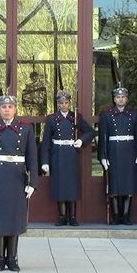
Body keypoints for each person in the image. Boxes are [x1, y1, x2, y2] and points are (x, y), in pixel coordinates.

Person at [0, 94, 38, 272]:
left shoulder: (26, 129)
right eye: (3, 107)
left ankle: (12, 258)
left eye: (10, 107)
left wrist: (33, 182)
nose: (7, 110)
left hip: (17, 177)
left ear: (15, 109)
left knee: (14, 217)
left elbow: (32, 157)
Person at [41, 90, 95, 226]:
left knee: (72, 186)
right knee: (60, 186)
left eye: (66, 102)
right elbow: (46, 141)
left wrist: (82, 141)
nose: (64, 105)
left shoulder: (76, 117)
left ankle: (72, 217)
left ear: (69, 103)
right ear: (57, 104)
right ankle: (62, 216)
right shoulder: (52, 119)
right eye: (61, 103)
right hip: (58, 154)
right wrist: (45, 161)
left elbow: (91, 131)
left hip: (71, 153)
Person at [97, 87, 137, 225]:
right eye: (118, 97)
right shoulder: (106, 115)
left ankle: (126, 216)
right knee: (114, 186)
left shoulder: (135, 114)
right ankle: (116, 216)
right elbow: (102, 137)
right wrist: (103, 157)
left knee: (128, 186)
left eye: (123, 97)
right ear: (114, 99)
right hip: (113, 152)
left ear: (127, 98)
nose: (120, 99)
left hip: (129, 152)